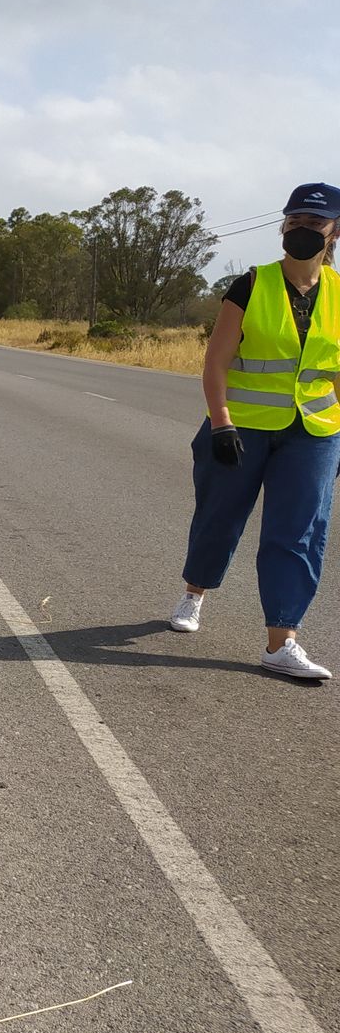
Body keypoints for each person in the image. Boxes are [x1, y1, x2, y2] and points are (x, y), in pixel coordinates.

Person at [168, 182, 340, 679]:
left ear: (334, 231)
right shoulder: (251, 283)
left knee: (298, 533)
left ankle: (281, 641)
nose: (302, 230)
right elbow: (216, 362)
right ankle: (193, 594)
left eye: (314, 222)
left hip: (314, 432)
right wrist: (221, 423)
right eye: (295, 221)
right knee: (219, 517)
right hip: (241, 428)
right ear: (283, 225)